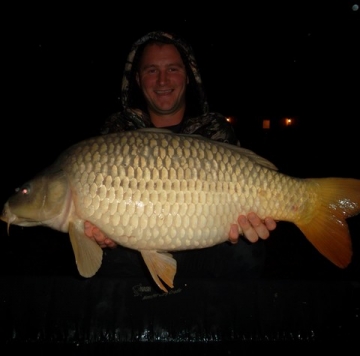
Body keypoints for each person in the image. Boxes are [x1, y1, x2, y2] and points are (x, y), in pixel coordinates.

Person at [84, 31, 277, 280]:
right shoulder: (115, 133)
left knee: (248, 251)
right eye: (152, 70)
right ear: (138, 79)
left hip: (205, 249)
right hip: (134, 255)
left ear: (188, 77)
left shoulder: (215, 130)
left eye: (173, 69)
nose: (163, 80)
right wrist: (101, 238)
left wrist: (250, 224)